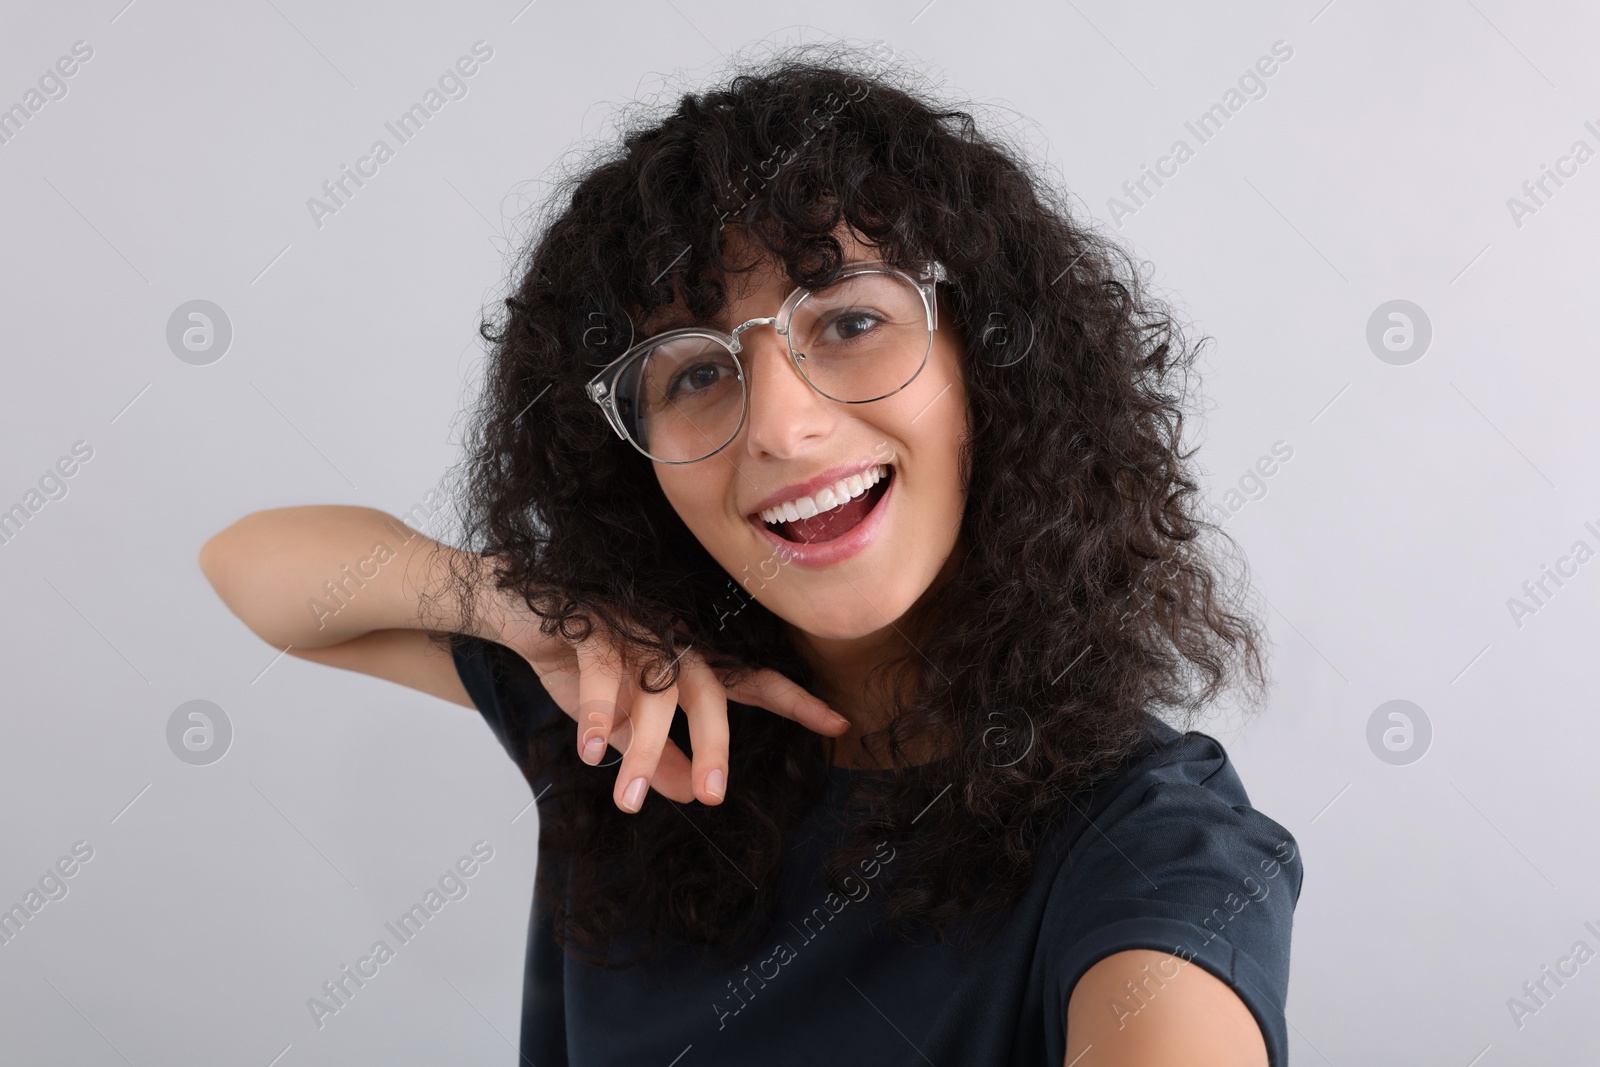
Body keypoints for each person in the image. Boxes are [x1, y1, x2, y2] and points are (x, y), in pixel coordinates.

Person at [200, 42, 1302, 1067]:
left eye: (850, 320)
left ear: (990, 363)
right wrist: (527, 609)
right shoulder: (630, 715)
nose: (778, 424)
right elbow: (254, 568)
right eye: (691, 372)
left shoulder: (1151, 841)